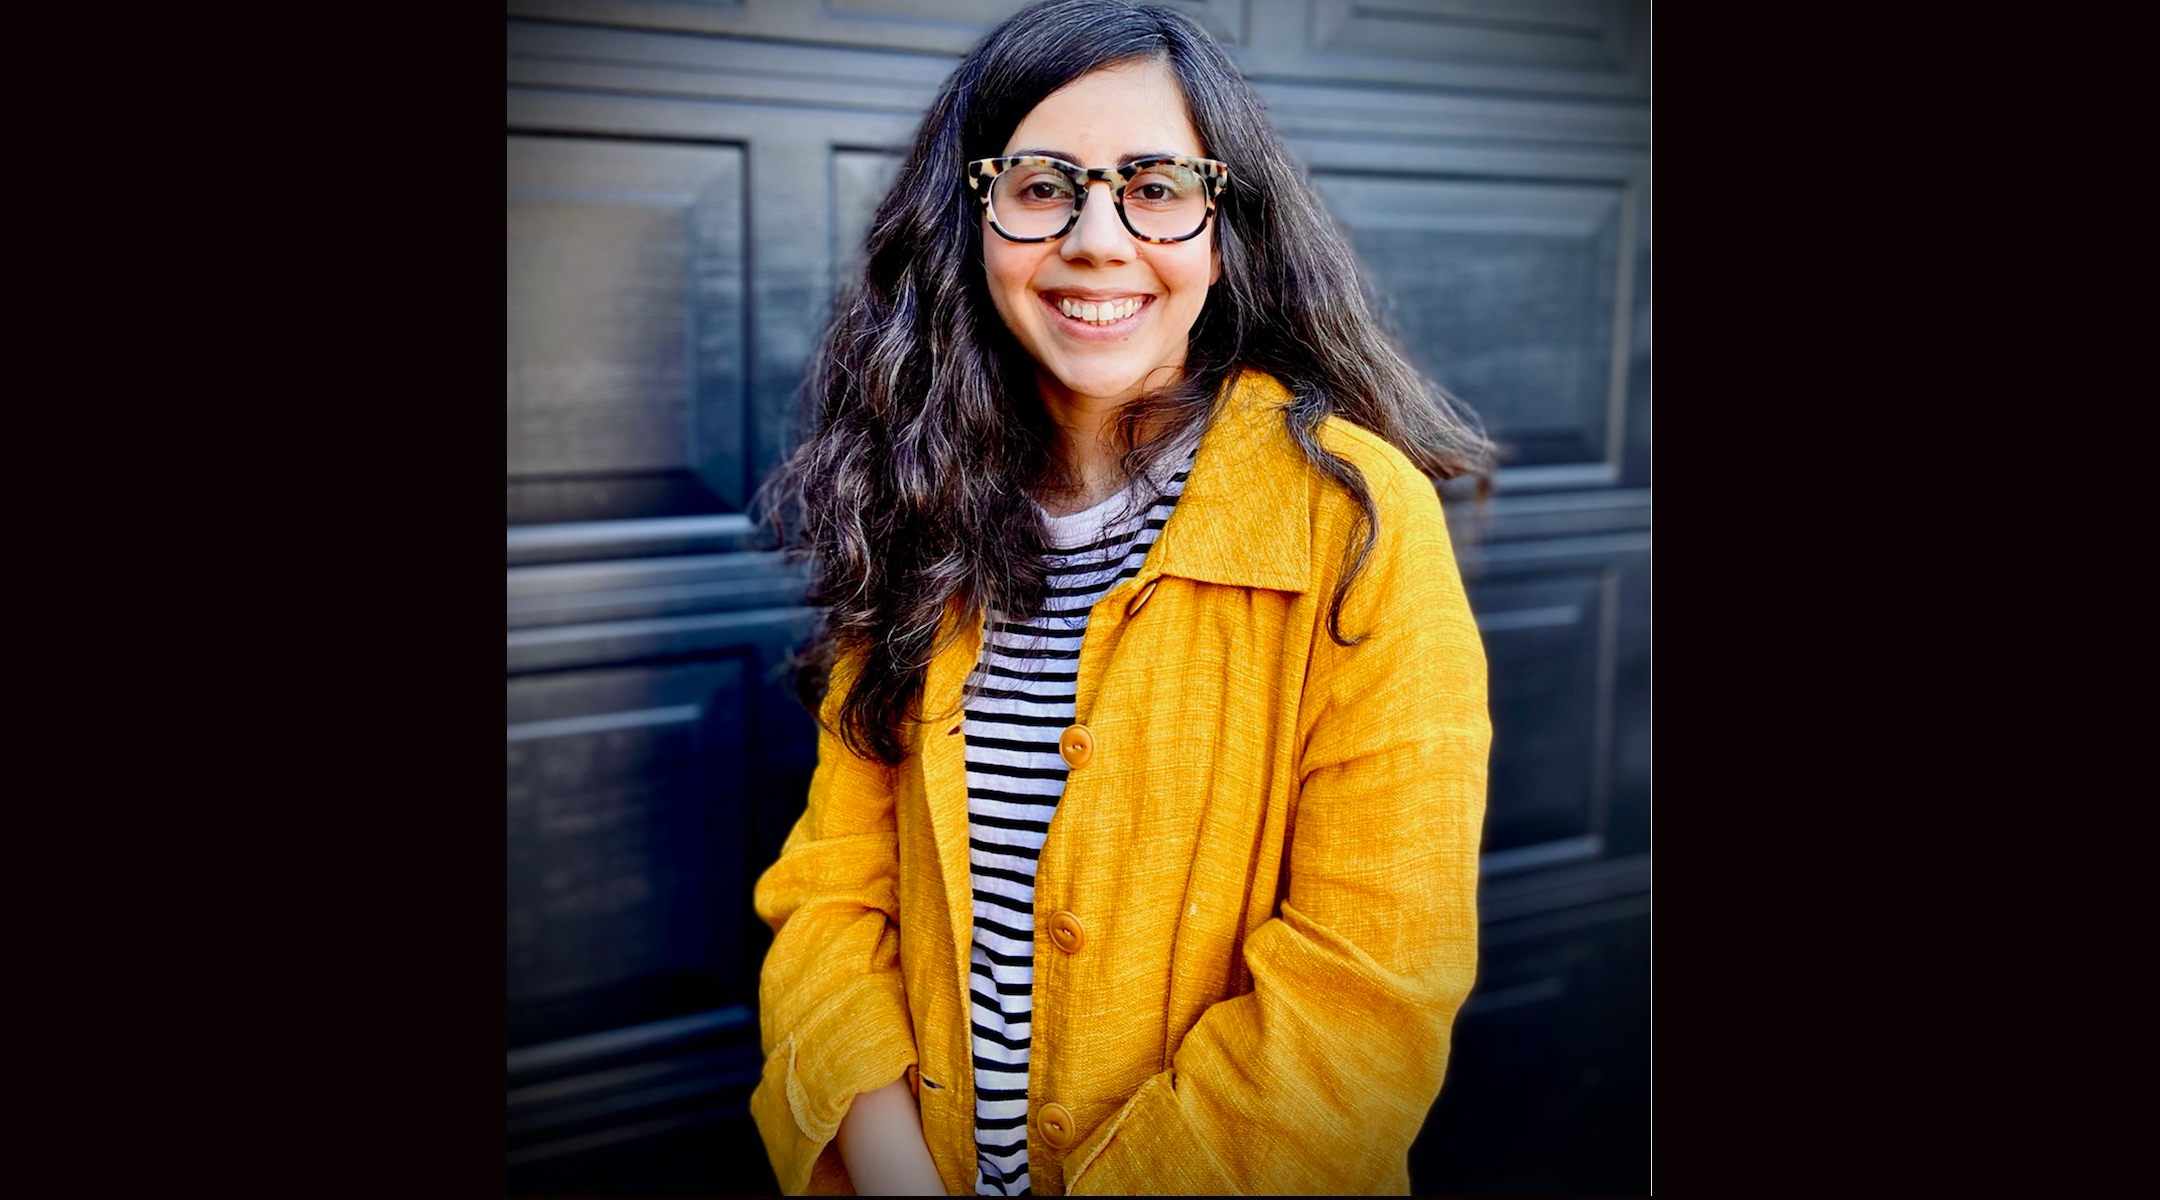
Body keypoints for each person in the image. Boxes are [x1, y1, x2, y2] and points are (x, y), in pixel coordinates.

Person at [750, 1, 1492, 1193]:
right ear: (972, 216)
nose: (1099, 238)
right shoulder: (918, 497)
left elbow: (1370, 987)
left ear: (1223, 219)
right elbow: (831, 893)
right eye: (1043, 184)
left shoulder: (1354, 519)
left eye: (1154, 184)